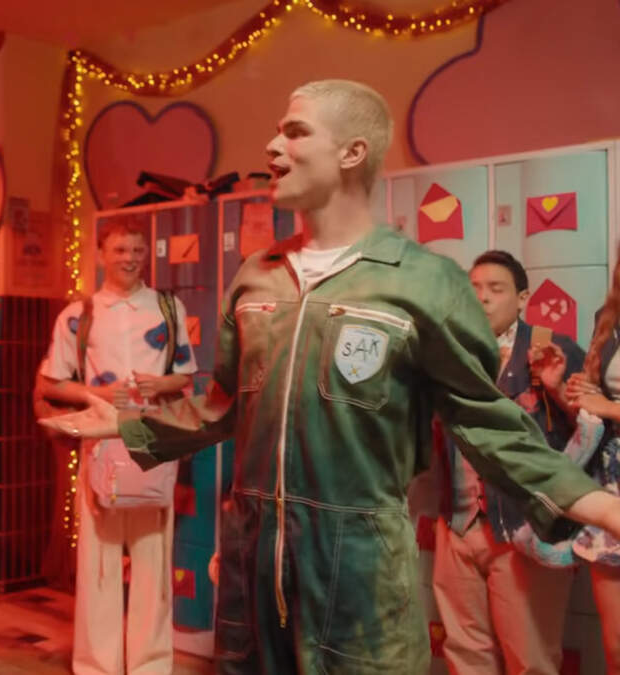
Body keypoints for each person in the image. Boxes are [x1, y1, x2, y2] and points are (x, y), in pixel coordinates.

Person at [41, 79, 620, 674]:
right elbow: (222, 406)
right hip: (253, 565)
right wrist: (126, 424)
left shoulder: (424, 281)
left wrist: (599, 506)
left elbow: (487, 422)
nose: (272, 147)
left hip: (361, 574)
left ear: (352, 152)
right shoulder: (256, 276)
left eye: (295, 133)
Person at [39, 218, 196, 674]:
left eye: (138, 250)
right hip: (101, 449)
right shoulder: (79, 314)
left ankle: (151, 664)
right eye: (121, 250)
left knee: (153, 562)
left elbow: (185, 375)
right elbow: (52, 383)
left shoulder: (168, 307)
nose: (130, 259)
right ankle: (96, 665)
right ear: (102, 254)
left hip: (153, 446)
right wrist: (100, 394)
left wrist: (159, 383)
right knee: (99, 565)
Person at [432, 250, 582, 674]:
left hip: (526, 529)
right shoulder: (447, 353)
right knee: (465, 655)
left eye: (495, 289)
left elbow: (596, 433)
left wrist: (559, 393)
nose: (481, 298)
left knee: (531, 660)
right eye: (473, 289)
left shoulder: (552, 348)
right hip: (458, 525)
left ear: (522, 299)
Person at [566, 256, 620, 673]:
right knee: (615, 641)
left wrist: (609, 407)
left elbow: (607, 406)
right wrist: (574, 391)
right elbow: (593, 408)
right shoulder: (609, 318)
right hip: (610, 484)